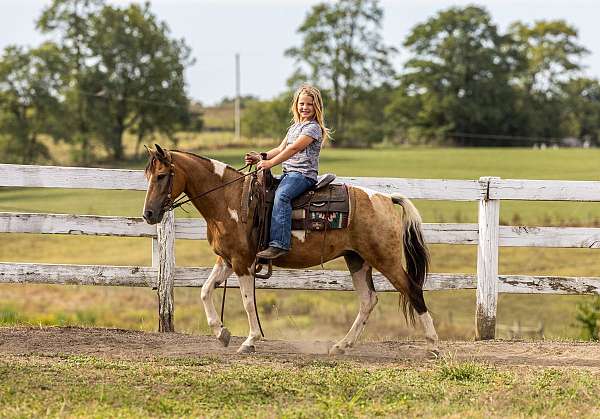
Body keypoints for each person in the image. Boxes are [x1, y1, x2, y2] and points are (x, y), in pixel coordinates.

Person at [245, 84, 331, 259]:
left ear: (317, 107)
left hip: (303, 175)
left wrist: (270, 164)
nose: (304, 108)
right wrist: (261, 157)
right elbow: (280, 148)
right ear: (296, 105)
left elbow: (293, 150)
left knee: (282, 196)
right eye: (301, 104)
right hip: (288, 174)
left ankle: (279, 244)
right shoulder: (295, 126)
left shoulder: (313, 128)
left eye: (309, 104)